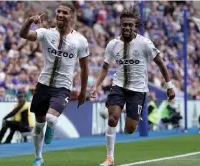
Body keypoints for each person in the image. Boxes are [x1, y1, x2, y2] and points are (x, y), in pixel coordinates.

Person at [89, 7, 175, 166]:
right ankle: (109, 158)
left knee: (129, 129)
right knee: (112, 117)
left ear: (135, 26)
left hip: (138, 90)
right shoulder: (113, 45)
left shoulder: (144, 44)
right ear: (120, 25)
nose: (127, 27)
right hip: (119, 85)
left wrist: (169, 86)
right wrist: (95, 86)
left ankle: (129, 111)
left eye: (130, 25)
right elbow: (105, 68)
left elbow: (161, 64)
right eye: (124, 24)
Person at [19, 2, 89, 166]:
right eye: (58, 12)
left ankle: (52, 126)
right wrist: (29, 21)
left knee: (50, 118)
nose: (60, 15)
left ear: (72, 16)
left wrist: (83, 91)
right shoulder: (46, 33)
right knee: (38, 126)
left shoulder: (80, 41)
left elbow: (84, 68)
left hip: (62, 87)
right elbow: (23, 34)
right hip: (43, 85)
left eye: (64, 13)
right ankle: (38, 158)